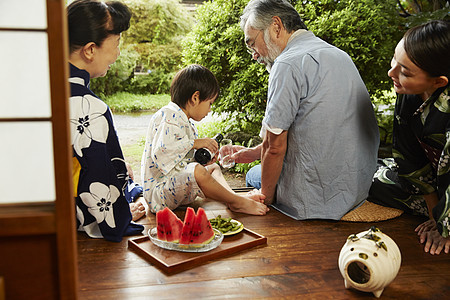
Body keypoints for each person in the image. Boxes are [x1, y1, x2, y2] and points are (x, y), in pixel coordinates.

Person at [233, 0, 380, 220]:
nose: (254, 54)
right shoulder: (339, 55)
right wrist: (254, 153)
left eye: (252, 44)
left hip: (317, 199)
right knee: (260, 167)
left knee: (255, 177)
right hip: (357, 188)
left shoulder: (287, 64)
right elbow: (316, 129)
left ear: (276, 27)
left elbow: (275, 148)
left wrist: (265, 197)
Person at [141, 64, 269, 215]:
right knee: (197, 171)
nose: (209, 110)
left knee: (212, 168)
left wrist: (203, 162)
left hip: (172, 185)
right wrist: (195, 143)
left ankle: (233, 200)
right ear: (195, 98)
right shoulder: (168, 116)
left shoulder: (185, 122)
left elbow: (180, 161)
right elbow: (161, 153)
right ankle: (238, 201)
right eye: (210, 103)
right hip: (159, 195)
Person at [368, 20, 450, 255]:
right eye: (395, 59)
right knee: (369, 178)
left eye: (404, 72)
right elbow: (407, 154)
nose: (391, 72)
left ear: (439, 82)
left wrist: (444, 227)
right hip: (436, 180)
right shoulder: (409, 93)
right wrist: (435, 212)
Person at [68, 0, 145, 242]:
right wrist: (120, 216)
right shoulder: (89, 107)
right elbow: (97, 182)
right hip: (74, 227)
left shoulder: (47, 88)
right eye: (117, 44)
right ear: (90, 49)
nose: (118, 54)